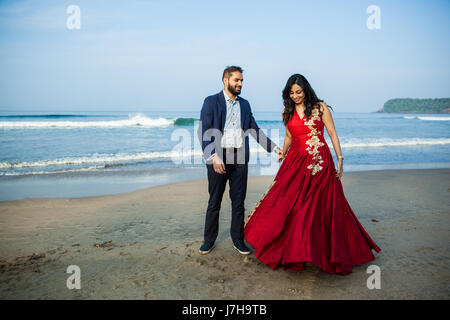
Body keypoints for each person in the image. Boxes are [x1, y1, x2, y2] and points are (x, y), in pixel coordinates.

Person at [243, 74, 381, 275]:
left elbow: (332, 132)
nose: (295, 96)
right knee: (289, 203)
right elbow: (290, 135)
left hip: (319, 162)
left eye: (298, 92)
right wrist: (283, 152)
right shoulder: (287, 112)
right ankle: (296, 250)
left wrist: (340, 159)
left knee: (318, 207)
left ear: (305, 90)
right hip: (295, 162)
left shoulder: (320, 107)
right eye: (291, 93)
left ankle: (317, 252)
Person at [197, 66, 283, 255]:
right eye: (236, 80)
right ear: (225, 80)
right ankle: (209, 240)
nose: (240, 84)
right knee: (215, 201)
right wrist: (213, 156)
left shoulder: (245, 104)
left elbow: (254, 129)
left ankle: (238, 239)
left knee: (238, 201)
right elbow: (204, 131)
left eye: (242, 80)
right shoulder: (211, 102)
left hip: (239, 158)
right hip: (218, 158)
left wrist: (275, 148)